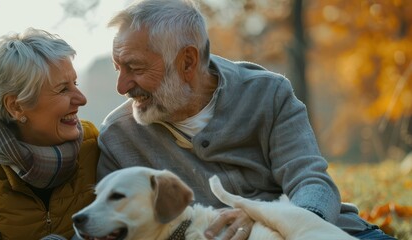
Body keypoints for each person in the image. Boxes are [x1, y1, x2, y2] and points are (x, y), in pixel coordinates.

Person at [96, 0, 396, 239]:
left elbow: (310, 180)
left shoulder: (268, 93)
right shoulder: (118, 136)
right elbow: (106, 222)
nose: (121, 86)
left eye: (134, 68)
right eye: (117, 67)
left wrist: (282, 223)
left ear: (187, 61)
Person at [0, 27, 100, 239]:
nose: (81, 99)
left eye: (74, 83)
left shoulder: (92, 143)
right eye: (62, 89)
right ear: (16, 107)